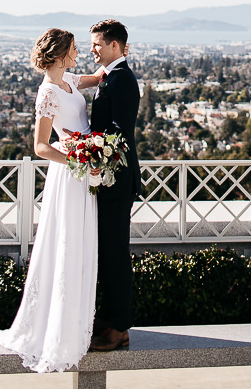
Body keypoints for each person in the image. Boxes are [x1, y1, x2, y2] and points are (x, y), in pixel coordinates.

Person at [0, 28, 104, 373]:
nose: (78, 53)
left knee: (81, 243)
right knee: (67, 243)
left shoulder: (69, 79)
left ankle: (77, 324)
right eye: (74, 49)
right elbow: (40, 146)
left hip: (84, 170)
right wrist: (79, 158)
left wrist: (116, 59)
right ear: (59, 55)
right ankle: (57, 332)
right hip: (69, 174)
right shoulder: (48, 92)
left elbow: (98, 78)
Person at [88, 18, 141, 353]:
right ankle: (107, 318)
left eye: (97, 44)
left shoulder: (122, 79)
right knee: (106, 253)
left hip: (117, 180)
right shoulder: (109, 76)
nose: (93, 50)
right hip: (106, 179)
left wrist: (89, 150)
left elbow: (119, 133)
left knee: (116, 255)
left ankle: (120, 327)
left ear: (114, 45)